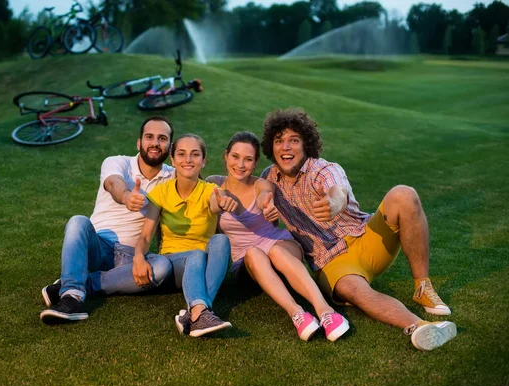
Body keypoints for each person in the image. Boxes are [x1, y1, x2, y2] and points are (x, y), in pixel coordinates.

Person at [260, 107, 457, 351]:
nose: (285, 147)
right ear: (271, 146)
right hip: (330, 261)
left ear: (306, 144)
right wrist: (265, 209)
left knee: (404, 194)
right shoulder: (269, 178)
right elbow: (259, 200)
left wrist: (333, 204)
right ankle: (420, 327)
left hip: (365, 237)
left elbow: (337, 190)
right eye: (279, 141)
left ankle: (423, 287)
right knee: (355, 291)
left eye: (294, 140)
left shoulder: (322, 169)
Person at [206, 131, 350, 342]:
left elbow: (266, 193)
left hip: (280, 247)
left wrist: (267, 203)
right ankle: (297, 314)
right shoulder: (214, 183)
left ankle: (326, 312)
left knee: (275, 251)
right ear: (226, 156)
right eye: (235, 156)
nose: (240, 164)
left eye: (248, 159)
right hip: (249, 265)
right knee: (254, 253)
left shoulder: (261, 184)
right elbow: (212, 202)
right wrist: (220, 201)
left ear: (255, 163)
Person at [39, 116, 176, 324]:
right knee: (78, 221)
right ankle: (72, 298)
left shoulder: (173, 177)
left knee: (162, 267)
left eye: (162, 138)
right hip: (97, 247)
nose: (155, 143)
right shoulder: (117, 162)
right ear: (139, 143)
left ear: (170, 146)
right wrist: (127, 197)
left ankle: (79, 282)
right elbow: (114, 183)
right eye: (149, 137)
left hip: (132, 257)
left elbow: (198, 187)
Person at [134, 133, 235, 337]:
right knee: (195, 255)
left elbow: (217, 201)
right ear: (173, 160)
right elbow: (146, 236)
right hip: (174, 265)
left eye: (195, 154)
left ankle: (194, 313)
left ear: (203, 161)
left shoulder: (210, 190)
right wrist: (138, 257)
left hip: (206, 266)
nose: (188, 159)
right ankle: (200, 312)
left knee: (221, 240)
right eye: (181, 154)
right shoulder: (162, 192)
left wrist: (222, 201)